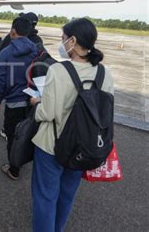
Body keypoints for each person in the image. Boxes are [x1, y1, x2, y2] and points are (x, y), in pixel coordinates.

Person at [29, 18, 113, 232]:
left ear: (73, 41)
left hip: (52, 145)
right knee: (66, 197)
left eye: (63, 38)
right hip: (84, 145)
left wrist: (36, 103)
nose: (61, 42)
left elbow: (47, 113)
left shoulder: (58, 71)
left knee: (45, 199)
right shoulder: (105, 74)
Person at [0, 17, 38, 179]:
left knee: (13, 135)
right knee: (28, 133)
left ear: (13, 31)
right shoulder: (37, 50)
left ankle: (14, 168)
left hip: (14, 102)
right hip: (34, 102)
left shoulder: (5, 54)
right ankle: (23, 160)